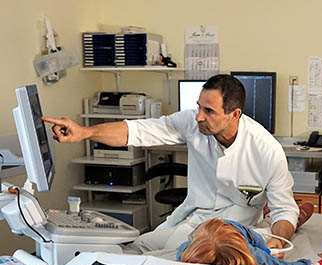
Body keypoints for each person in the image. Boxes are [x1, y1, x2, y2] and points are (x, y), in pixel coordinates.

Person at [42, 74, 298, 253]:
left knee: (172, 258)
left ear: (235, 115)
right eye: (199, 107)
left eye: (209, 111)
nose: (199, 116)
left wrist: (278, 240)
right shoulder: (193, 123)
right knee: (137, 247)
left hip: (230, 233)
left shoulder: (267, 151)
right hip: (192, 218)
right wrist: (85, 132)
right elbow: (137, 131)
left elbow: (285, 210)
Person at [176, 217, 322, 265]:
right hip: (211, 229)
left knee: (267, 245)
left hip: (242, 231)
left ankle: (294, 219)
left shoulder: (252, 251)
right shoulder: (188, 251)